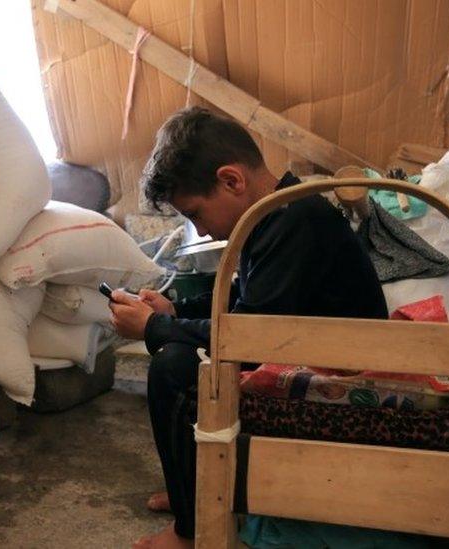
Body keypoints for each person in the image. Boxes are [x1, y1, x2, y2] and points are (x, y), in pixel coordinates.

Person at [109, 107, 387, 549]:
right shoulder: (278, 217)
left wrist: (155, 328)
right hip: (306, 357)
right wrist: (175, 310)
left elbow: (250, 341)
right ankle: (192, 492)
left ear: (232, 181)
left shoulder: (297, 220)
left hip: (339, 383)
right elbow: (243, 303)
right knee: (178, 353)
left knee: (176, 367)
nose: (199, 230)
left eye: (196, 214)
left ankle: (192, 529)